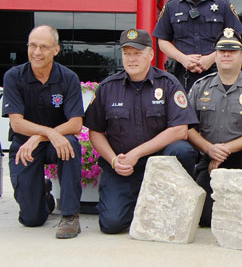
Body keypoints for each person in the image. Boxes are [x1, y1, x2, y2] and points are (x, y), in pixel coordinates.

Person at [84, 29, 198, 234]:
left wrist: (137, 154)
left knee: (182, 150)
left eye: (137, 53)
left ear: (151, 55)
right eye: (127, 53)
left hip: (158, 164)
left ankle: (174, 206)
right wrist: (113, 161)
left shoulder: (169, 84)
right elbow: (95, 131)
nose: (131, 59)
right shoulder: (108, 87)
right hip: (123, 166)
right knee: (112, 225)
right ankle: (136, 200)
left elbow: (180, 130)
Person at [187, 28, 242, 227]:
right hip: (210, 161)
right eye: (221, 50)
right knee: (206, 220)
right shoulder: (200, 87)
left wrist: (225, 150)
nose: (226, 54)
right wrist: (210, 149)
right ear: (215, 56)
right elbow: (186, 128)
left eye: (233, 50)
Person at [3, 25, 83, 239]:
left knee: (71, 145)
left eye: (44, 47)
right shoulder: (13, 77)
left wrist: (41, 136)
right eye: (32, 46)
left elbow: (75, 124)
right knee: (31, 219)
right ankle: (43, 196)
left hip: (56, 144)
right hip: (25, 146)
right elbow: (17, 124)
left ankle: (69, 216)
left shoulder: (68, 78)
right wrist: (47, 133)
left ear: (56, 50)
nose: (37, 52)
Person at [153, 0, 242, 92]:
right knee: (181, 112)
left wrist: (211, 58)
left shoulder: (223, 5)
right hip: (181, 75)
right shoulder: (172, 6)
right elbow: (162, 41)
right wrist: (183, 59)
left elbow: (237, 38)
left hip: (217, 73)